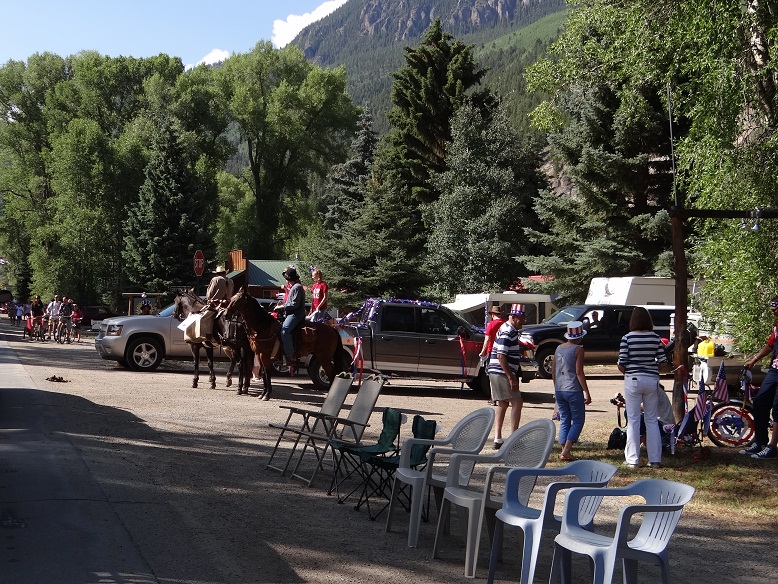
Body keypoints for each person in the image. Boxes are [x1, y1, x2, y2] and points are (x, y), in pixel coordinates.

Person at [617, 306, 671, 468]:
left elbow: (622, 364)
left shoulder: (627, 338)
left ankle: (633, 459)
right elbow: (663, 362)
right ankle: (655, 460)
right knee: (652, 420)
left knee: (633, 420)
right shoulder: (655, 338)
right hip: (651, 380)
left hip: (633, 379)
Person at [741, 296, 778, 459]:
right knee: (760, 402)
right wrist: (754, 359)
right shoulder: (777, 326)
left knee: (777, 409)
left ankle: (772, 448)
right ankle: (760, 442)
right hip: (775, 370)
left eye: (775, 309)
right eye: (772, 309)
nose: (773, 312)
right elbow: (770, 345)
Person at [486, 303, 527, 448]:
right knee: (517, 402)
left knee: (503, 403)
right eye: (521, 319)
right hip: (502, 372)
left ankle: (498, 439)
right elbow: (501, 355)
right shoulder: (508, 331)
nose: (523, 322)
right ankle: (514, 438)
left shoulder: (506, 328)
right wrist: (511, 377)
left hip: (496, 371)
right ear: (514, 317)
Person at [552, 321, 592, 461]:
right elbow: (579, 372)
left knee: (564, 418)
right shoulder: (578, 349)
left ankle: (564, 448)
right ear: (579, 336)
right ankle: (567, 450)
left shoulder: (558, 348)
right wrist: (586, 391)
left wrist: (556, 385)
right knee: (578, 420)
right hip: (573, 389)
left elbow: (553, 370)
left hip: (560, 388)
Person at [277, 266, 306, 365]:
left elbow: (294, 304)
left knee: (285, 330)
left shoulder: (297, 287)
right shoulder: (294, 287)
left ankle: (290, 355)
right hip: (291, 313)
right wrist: (282, 303)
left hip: (296, 314)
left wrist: (283, 307)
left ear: (289, 279)